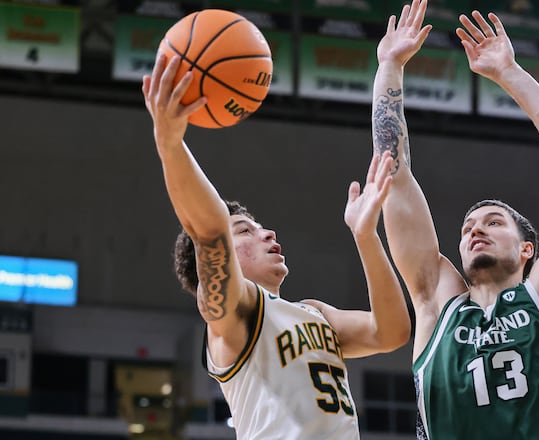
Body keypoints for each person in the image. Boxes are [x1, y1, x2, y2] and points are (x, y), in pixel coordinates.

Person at [142, 51, 410, 439]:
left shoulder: (314, 312)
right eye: (246, 231)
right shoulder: (230, 316)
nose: (268, 234)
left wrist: (366, 237)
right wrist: (170, 145)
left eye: (262, 227)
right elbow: (209, 228)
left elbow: (392, 333)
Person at [371, 1, 539, 438]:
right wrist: (389, 67)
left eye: (493, 222)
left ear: (527, 248)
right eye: (467, 228)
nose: (475, 228)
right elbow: (393, 174)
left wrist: (508, 73)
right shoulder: (437, 303)